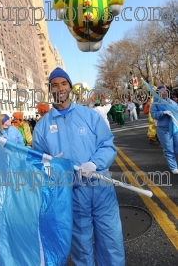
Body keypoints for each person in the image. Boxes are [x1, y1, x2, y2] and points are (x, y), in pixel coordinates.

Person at [33, 67, 125, 266]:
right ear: (50, 90)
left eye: (64, 83)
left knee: (111, 241)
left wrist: (94, 163)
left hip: (101, 188)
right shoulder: (41, 128)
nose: (60, 88)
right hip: (70, 195)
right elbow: (39, 164)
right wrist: (55, 171)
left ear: (70, 87)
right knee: (81, 248)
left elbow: (107, 145)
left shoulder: (89, 116)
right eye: (55, 85)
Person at [151, 86, 178, 174]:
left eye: (165, 91)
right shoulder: (155, 103)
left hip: (175, 128)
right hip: (164, 129)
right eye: (162, 91)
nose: (164, 93)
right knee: (169, 148)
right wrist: (163, 113)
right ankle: (173, 167)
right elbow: (154, 115)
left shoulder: (172, 102)